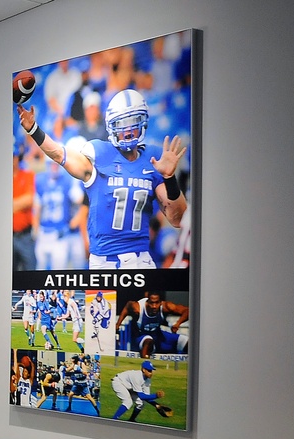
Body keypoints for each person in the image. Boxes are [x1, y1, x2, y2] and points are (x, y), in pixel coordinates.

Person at [17, 88, 188, 269]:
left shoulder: (153, 159)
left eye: (133, 121)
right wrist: (34, 130)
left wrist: (169, 178)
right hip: (104, 261)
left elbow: (178, 219)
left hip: (141, 260)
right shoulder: (99, 154)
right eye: (122, 123)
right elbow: (60, 154)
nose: (129, 130)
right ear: (111, 126)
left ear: (143, 122)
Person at [115, 291, 189, 357]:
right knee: (148, 341)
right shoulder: (137, 307)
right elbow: (127, 306)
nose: (154, 306)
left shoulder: (166, 307)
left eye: (157, 303)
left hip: (158, 335)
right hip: (141, 337)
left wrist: (178, 323)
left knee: (185, 341)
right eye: (151, 303)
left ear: (161, 302)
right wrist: (118, 324)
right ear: (147, 301)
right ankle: (146, 367)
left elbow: (187, 311)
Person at [12, 140, 37, 271]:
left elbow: (29, 200)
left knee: (30, 273)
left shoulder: (27, 175)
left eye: (13, 157)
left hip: (24, 235)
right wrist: (17, 204)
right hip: (7, 235)